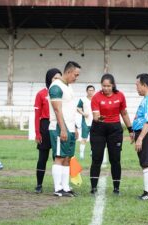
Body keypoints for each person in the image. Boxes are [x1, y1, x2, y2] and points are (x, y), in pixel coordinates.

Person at [90, 74, 133, 195]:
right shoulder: (96, 97)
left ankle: (116, 187)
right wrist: (100, 118)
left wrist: (130, 129)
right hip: (98, 130)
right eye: (104, 86)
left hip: (115, 130)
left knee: (115, 160)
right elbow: (95, 116)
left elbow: (124, 113)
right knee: (96, 158)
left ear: (113, 85)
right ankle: (93, 187)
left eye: (108, 86)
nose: (106, 88)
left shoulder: (120, 96)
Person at [49, 61, 81, 197]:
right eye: (75, 74)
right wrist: (63, 129)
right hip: (59, 127)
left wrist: (74, 127)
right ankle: (58, 188)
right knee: (59, 157)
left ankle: (66, 187)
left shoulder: (68, 87)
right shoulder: (56, 87)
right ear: (68, 72)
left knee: (67, 157)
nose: (76, 77)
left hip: (70, 127)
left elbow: (70, 109)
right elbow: (57, 109)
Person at [34, 68, 62, 194]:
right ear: (49, 78)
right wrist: (37, 132)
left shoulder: (63, 92)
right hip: (45, 126)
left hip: (58, 125)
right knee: (42, 157)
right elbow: (37, 115)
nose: (57, 80)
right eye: (55, 78)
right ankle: (39, 185)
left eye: (59, 78)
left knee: (59, 157)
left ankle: (59, 185)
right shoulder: (41, 94)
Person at [77, 85, 95, 159]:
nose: (91, 92)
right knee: (84, 138)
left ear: (94, 91)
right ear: (87, 91)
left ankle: (92, 152)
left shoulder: (96, 99)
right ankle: (81, 155)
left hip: (95, 122)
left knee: (94, 138)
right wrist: (84, 114)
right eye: (89, 90)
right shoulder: (82, 99)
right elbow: (78, 108)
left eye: (92, 90)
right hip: (86, 122)